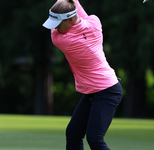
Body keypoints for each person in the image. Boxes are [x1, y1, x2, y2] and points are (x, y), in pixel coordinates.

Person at [42, 0, 123, 149]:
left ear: (71, 19)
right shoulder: (94, 24)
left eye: (58, 23)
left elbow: (73, 10)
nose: (55, 27)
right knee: (73, 134)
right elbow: (79, 11)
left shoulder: (63, 40)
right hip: (94, 91)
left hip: (107, 91)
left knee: (95, 139)